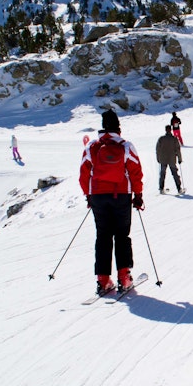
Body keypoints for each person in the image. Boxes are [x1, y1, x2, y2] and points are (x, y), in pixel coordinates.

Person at [79, 110, 144, 294]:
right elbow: (136, 172)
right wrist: (138, 195)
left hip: (98, 197)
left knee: (103, 236)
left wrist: (89, 196)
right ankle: (124, 277)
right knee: (122, 235)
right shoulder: (125, 146)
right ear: (118, 127)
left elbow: (84, 174)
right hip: (121, 195)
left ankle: (103, 279)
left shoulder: (92, 147)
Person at [156, 124, 185, 195]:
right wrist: (180, 159)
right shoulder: (174, 139)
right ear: (171, 130)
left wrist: (158, 158)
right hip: (172, 159)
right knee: (175, 174)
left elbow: (157, 149)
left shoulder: (161, 139)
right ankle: (179, 189)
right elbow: (178, 149)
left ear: (165, 130)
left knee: (162, 174)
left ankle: (161, 189)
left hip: (163, 159)